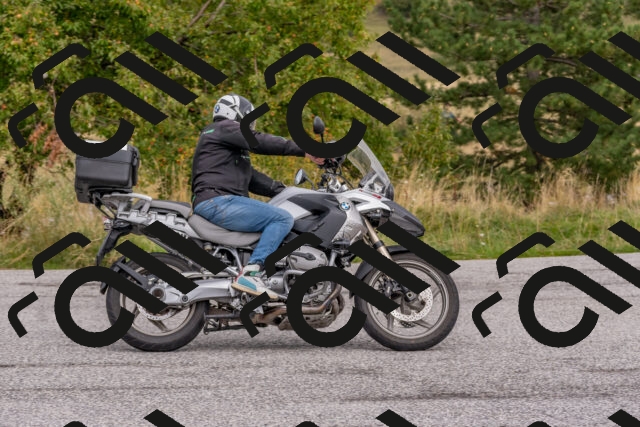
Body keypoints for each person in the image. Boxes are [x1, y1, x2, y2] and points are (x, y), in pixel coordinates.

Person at [191, 94, 324, 300]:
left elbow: (251, 178)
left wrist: (283, 190)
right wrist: (306, 149)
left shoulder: (225, 143)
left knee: (278, 215)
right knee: (281, 218)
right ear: (236, 113)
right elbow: (259, 140)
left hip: (218, 200)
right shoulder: (223, 128)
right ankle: (251, 273)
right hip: (217, 201)